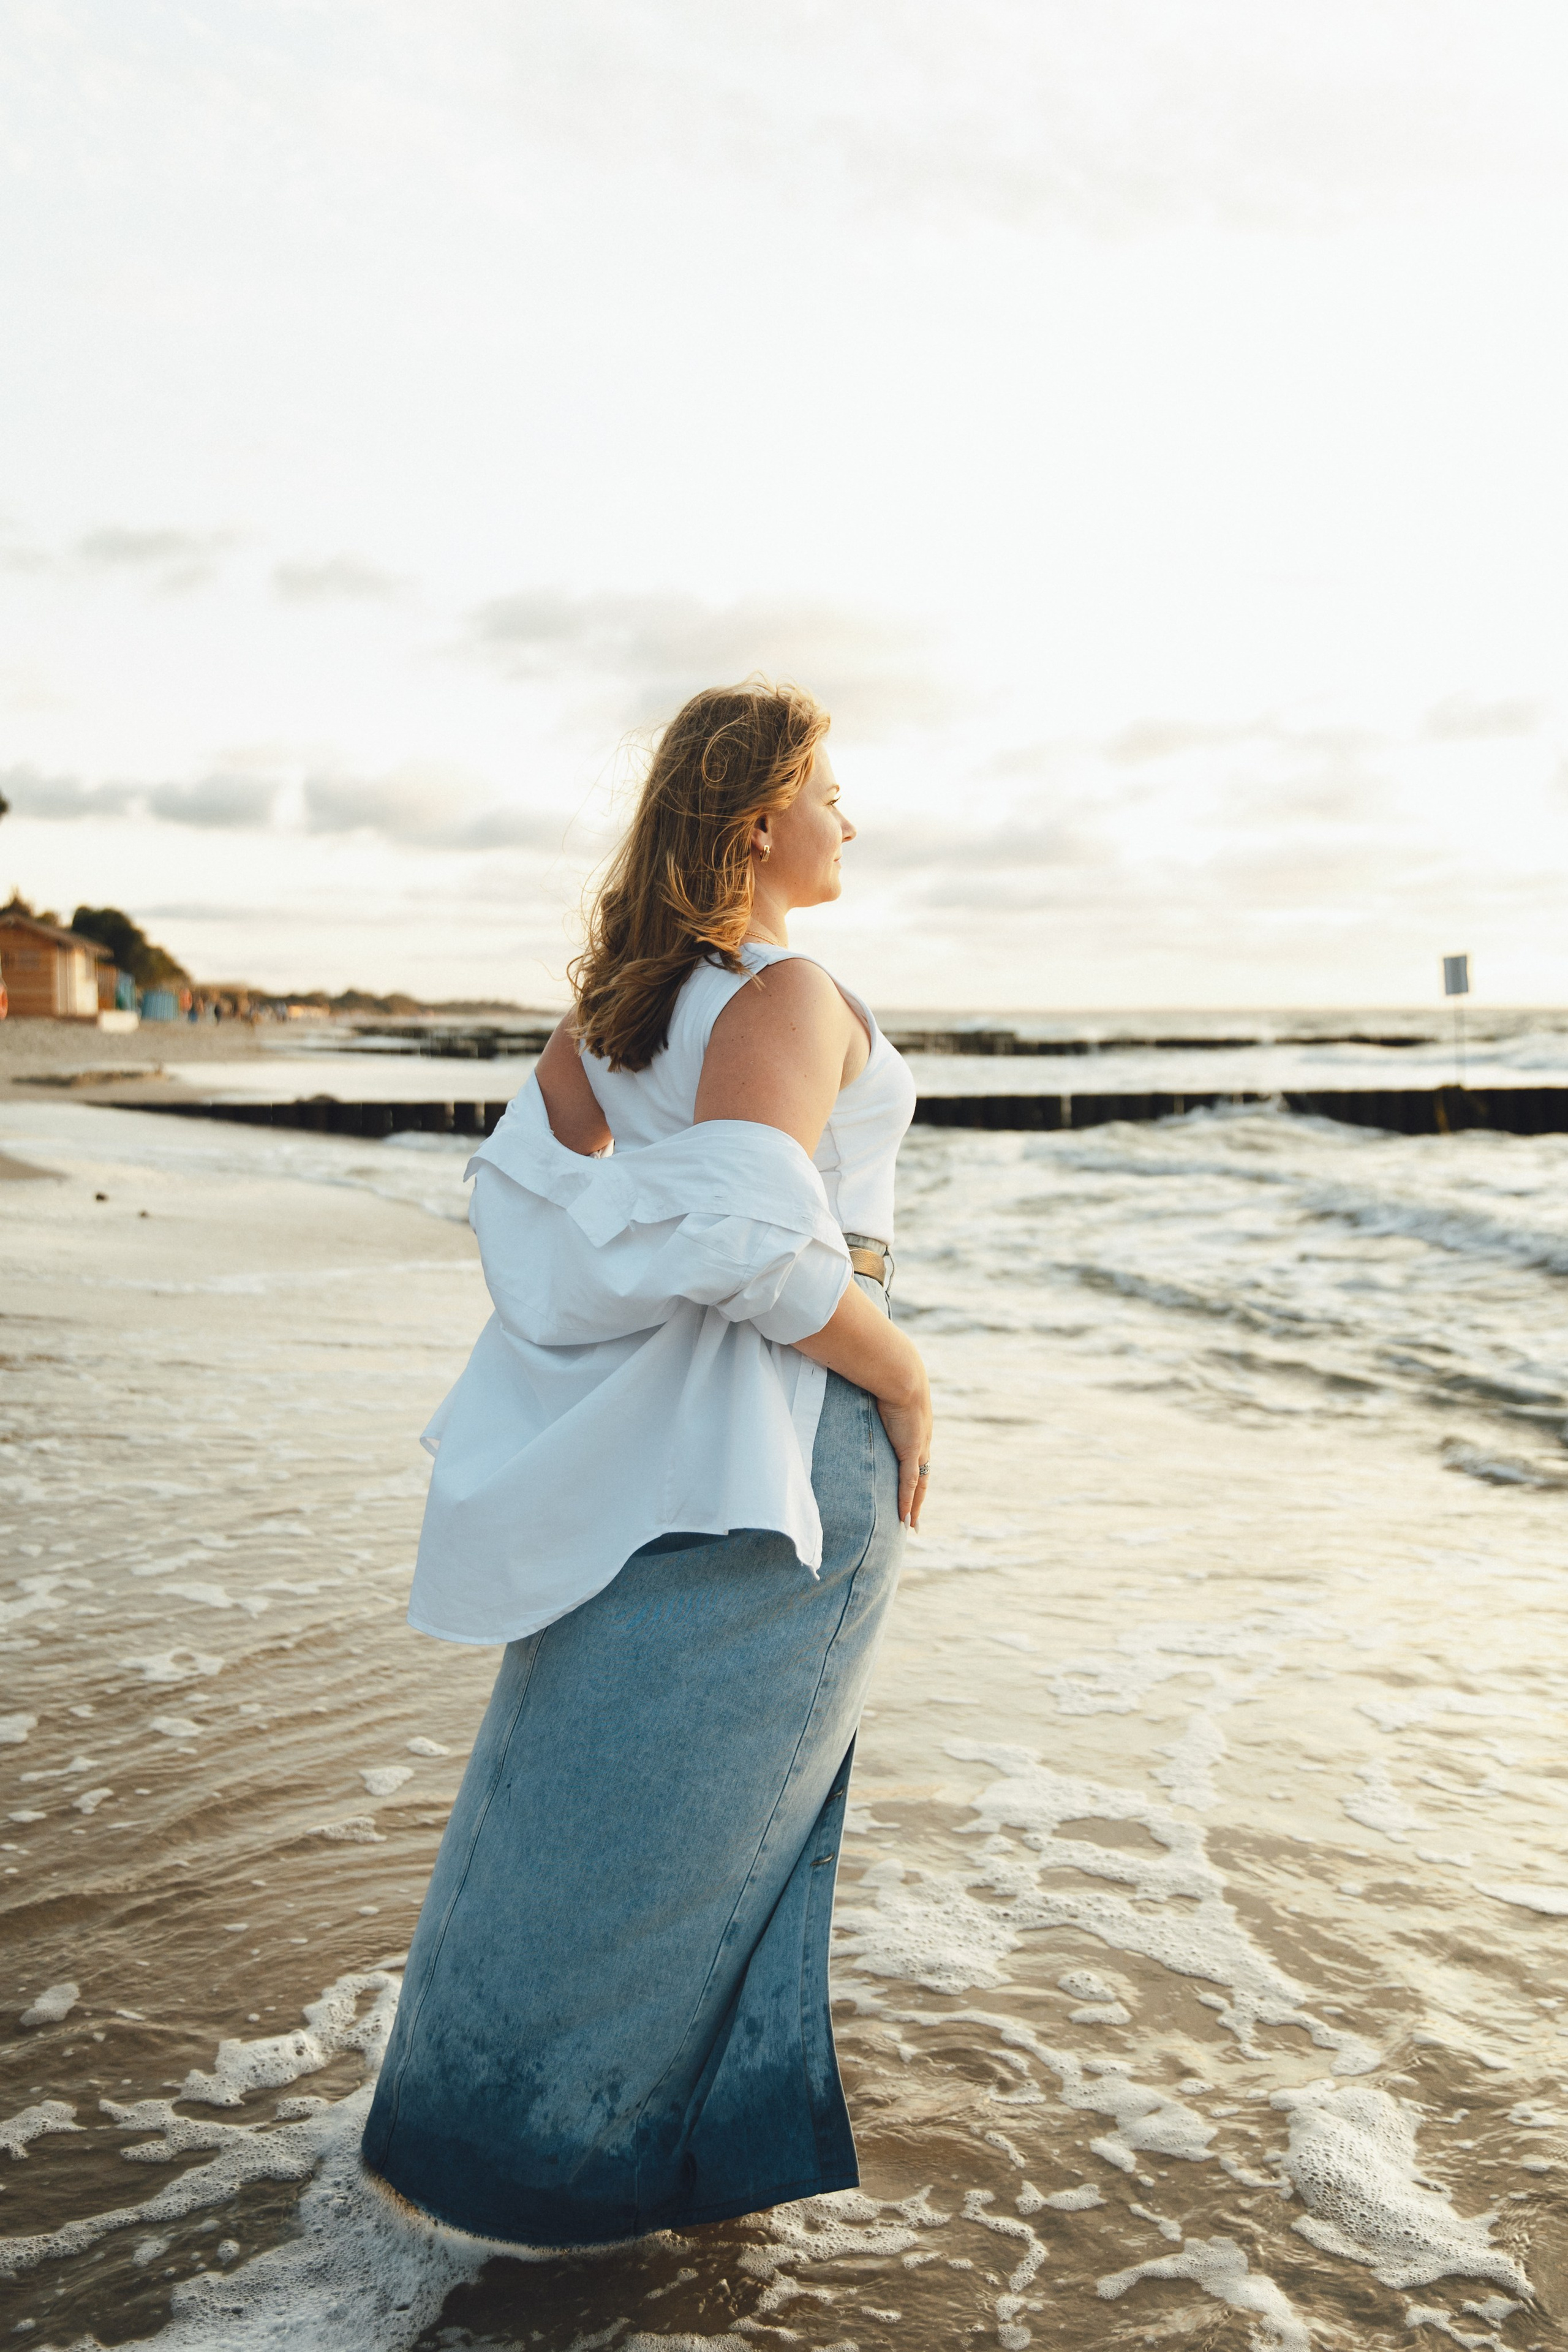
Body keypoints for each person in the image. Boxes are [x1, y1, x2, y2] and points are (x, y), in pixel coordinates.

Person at [362, 680, 930, 2248]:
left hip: (662, 1429)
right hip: (787, 1432)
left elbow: (528, 1200)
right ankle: (588, 2191)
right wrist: (905, 1373)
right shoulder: (787, 990)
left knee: (578, 1791)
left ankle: (460, 2149)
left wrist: (622, 1301)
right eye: (832, 791)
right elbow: (760, 1244)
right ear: (760, 819)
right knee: (714, 1830)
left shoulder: (621, 1006)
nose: (849, 819)